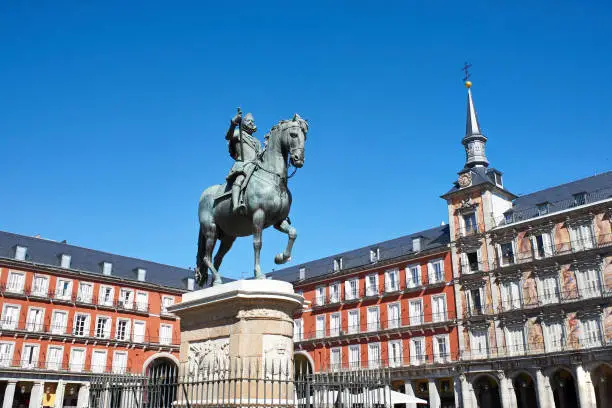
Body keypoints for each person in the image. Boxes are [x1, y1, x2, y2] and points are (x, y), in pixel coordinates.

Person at [225, 110, 262, 215]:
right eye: (249, 121)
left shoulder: (257, 141)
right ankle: (236, 205)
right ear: (244, 122)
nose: (251, 123)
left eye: (252, 121)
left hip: (256, 166)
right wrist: (233, 123)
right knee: (240, 179)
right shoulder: (238, 132)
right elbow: (228, 136)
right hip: (243, 164)